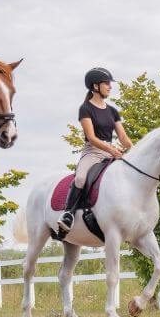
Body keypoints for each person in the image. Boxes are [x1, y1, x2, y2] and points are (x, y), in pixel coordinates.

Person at [56, 67, 133, 233]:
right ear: (95, 86)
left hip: (111, 151)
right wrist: (111, 149)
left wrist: (135, 151)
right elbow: (91, 137)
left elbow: (123, 138)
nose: (110, 86)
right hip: (92, 152)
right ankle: (68, 214)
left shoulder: (113, 111)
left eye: (110, 84)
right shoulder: (85, 109)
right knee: (80, 179)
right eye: (107, 83)